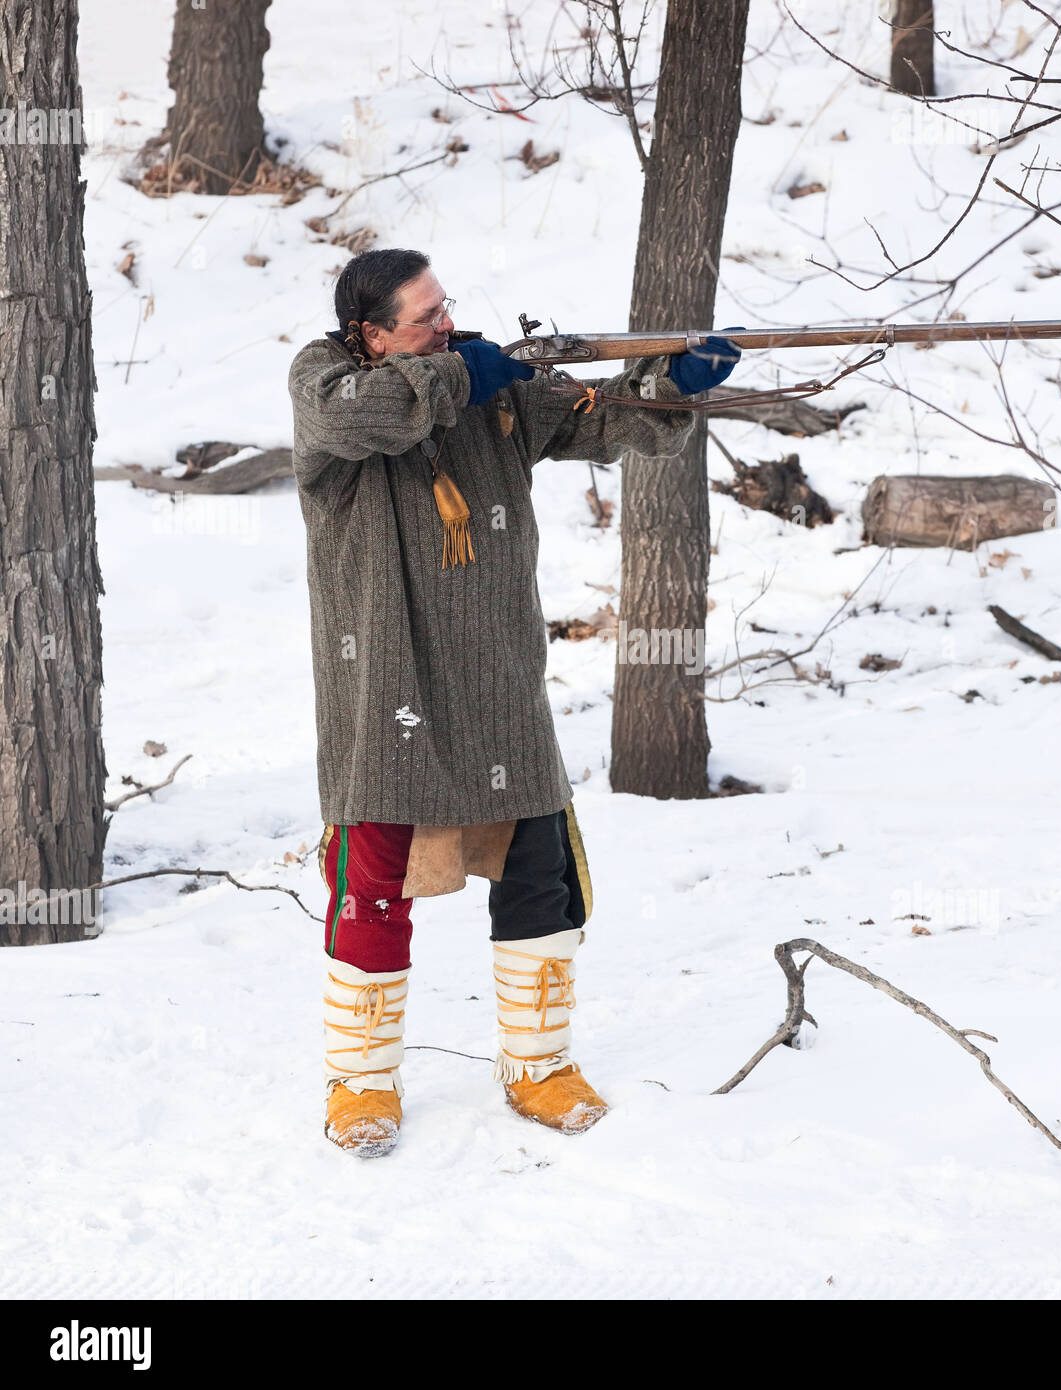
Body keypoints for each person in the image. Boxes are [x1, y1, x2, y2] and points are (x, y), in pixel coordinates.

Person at [287, 247, 740, 1156]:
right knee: (371, 888)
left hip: (498, 681)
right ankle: (362, 1082)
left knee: (542, 877)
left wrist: (670, 384)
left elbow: (605, 420)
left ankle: (539, 1065)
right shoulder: (326, 382)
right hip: (387, 685)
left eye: (446, 309)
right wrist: (462, 372)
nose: (446, 327)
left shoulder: (487, 386)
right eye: (425, 319)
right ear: (370, 334)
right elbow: (377, 414)